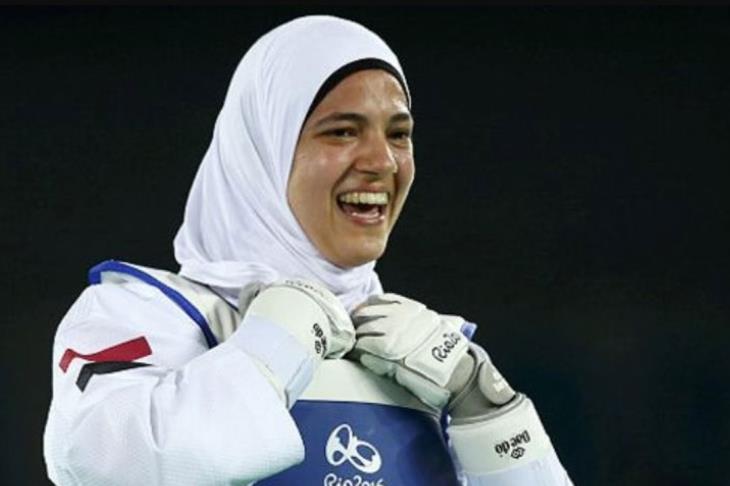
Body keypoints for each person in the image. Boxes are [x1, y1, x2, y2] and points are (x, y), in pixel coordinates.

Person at [43, 15, 573, 485]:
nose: (382, 162)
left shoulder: (438, 362)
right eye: (342, 132)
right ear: (260, 154)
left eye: (399, 134)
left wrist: (491, 413)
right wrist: (273, 348)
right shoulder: (143, 315)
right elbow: (97, 464)